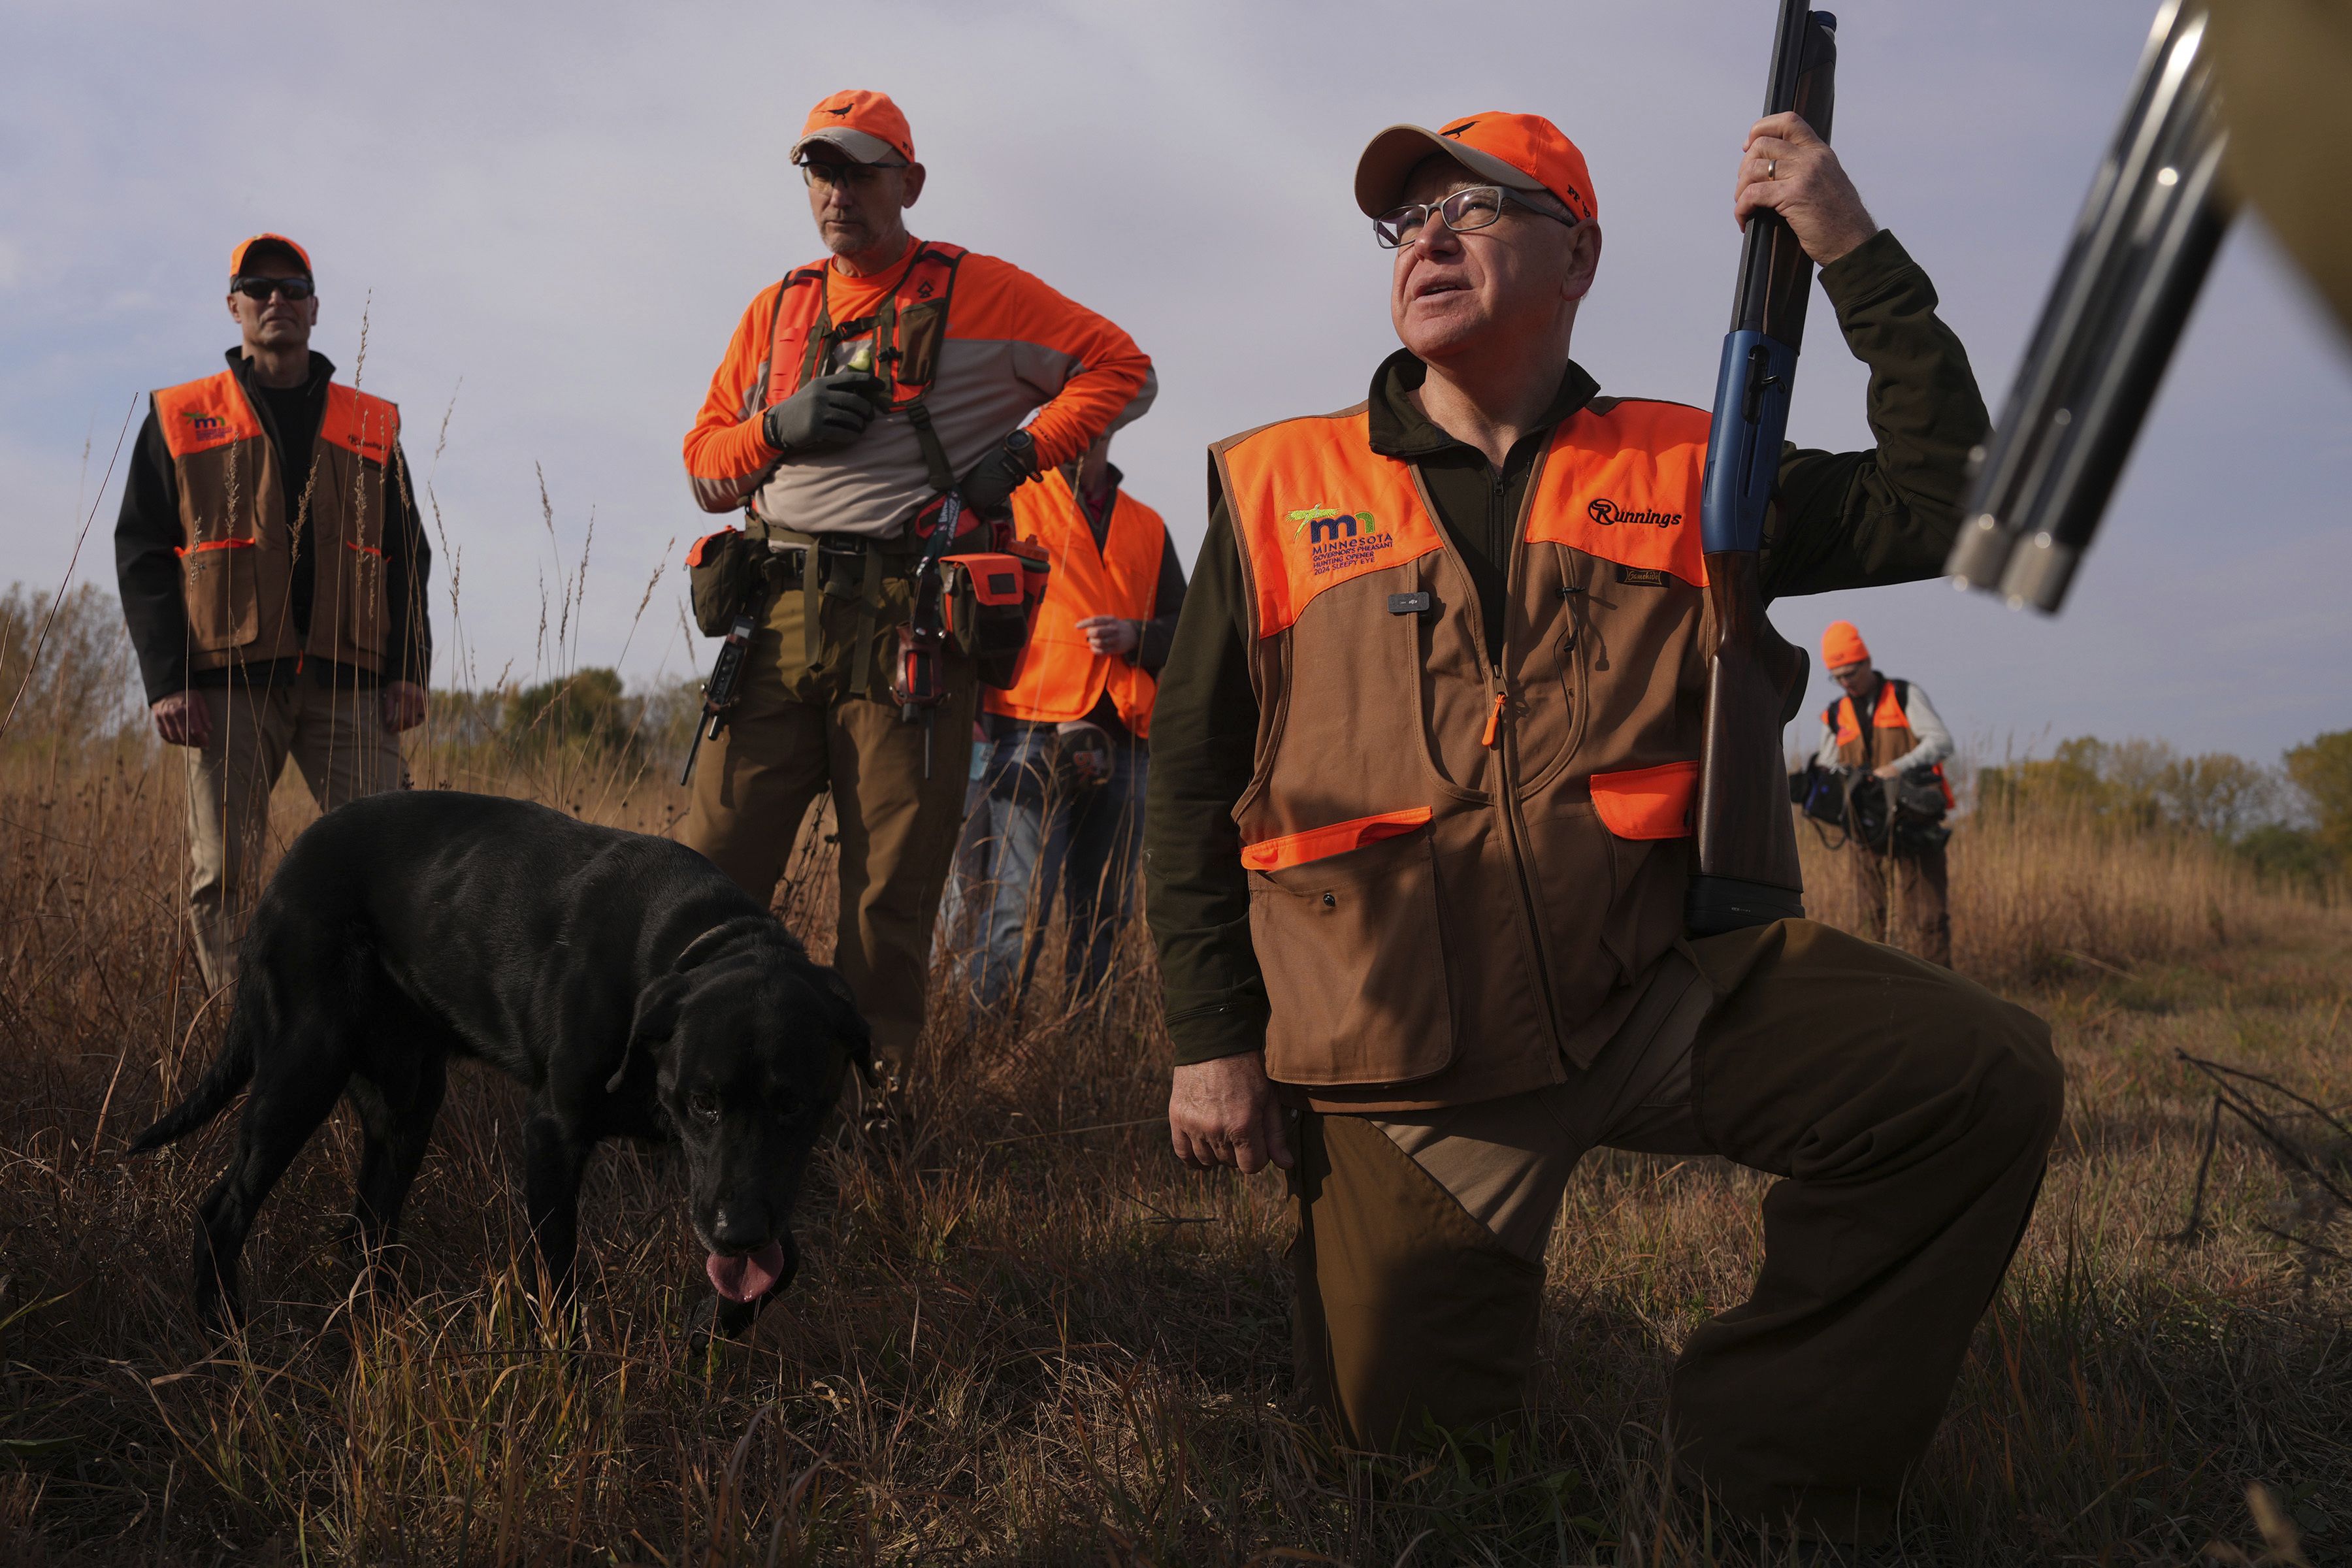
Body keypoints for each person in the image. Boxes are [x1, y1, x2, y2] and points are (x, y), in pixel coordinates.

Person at [1143, 110, 2063, 1547]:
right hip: (1404, 1065)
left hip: (1656, 993)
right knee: (1426, 1495)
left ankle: (1762, 1477)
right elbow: (1193, 781)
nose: (1428, 236)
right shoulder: (1276, 487)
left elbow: (1951, 501)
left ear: (1576, 253)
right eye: (1408, 219)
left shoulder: (1700, 468)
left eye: (1475, 206)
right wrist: (1213, 1039)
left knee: (1980, 1079)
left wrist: (1847, 245)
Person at [679, 90, 1153, 1095]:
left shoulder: (983, 291)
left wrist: (1021, 455)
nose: (838, 191)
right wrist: (782, 428)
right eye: (821, 170)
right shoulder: (775, 309)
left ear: (911, 183)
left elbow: (1125, 369)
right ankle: (689, 1092)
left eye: (860, 170)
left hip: (911, 628)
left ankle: (864, 1111)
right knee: (707, 878)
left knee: (888, 899)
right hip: (776, 616)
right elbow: (707, 468)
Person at [115, 233, 431, 992]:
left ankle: (383, 1037)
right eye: (258, 289)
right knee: (223, 875)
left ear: (317, 309)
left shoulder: (370, 422)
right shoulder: (181, 415)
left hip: (352, 687)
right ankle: (237, 1039)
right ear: (234, 308)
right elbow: (142, 554)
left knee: (399, 866)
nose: (276, 300)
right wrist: (167, 680)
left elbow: (407, 556)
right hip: (226, 689)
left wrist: (409, 671)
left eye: (293, 287)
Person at [951, 433, 1184, 1011]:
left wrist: (1139, 636)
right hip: (1025, 729)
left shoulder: (1148, 525)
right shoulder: (1011, 505)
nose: (1084, 429)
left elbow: (1187, 625)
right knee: (1014, 909)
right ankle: (988, 1053)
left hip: (1127, 738)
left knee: (1105, 909)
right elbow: (968, 611)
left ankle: (1084, 1058)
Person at [1814, 620, 1955, 966]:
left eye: (1851, 672)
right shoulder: (1835, 714)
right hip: (1865, 828)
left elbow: (1942, 742)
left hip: (1914, 821)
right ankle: (1877, 991)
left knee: (1928, 918)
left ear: (1867, 661)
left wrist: (1899, 767)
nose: (1847, 682)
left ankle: (1938, 996)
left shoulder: (1904, 695)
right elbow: (1826, 765)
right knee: (1870, 917)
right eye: (1838, 676)